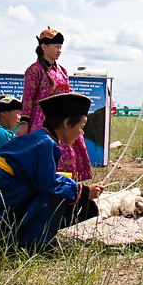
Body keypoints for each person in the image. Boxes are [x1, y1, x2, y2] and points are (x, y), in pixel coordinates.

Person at [0, 93, 104, 251]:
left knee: (65, 184)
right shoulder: (46, 143)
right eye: (81, 127)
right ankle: (31, 241)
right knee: (55, 194)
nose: (81, 133)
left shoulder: (41, 138)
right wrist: (83, 192)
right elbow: (47, 186)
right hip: (3, 191)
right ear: (66, 123)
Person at [19, 27, 92, 181]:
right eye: (56, 47)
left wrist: (76, 125)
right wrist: (24, 122)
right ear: (44, 47)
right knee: (45, 154)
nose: (59, 50)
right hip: (42, 119)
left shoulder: (62, 71)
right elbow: (28, 98)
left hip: (63, 117)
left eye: (60, 47)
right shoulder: (34, 70)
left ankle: (68, 187)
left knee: (68, 152)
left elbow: (68, 98)